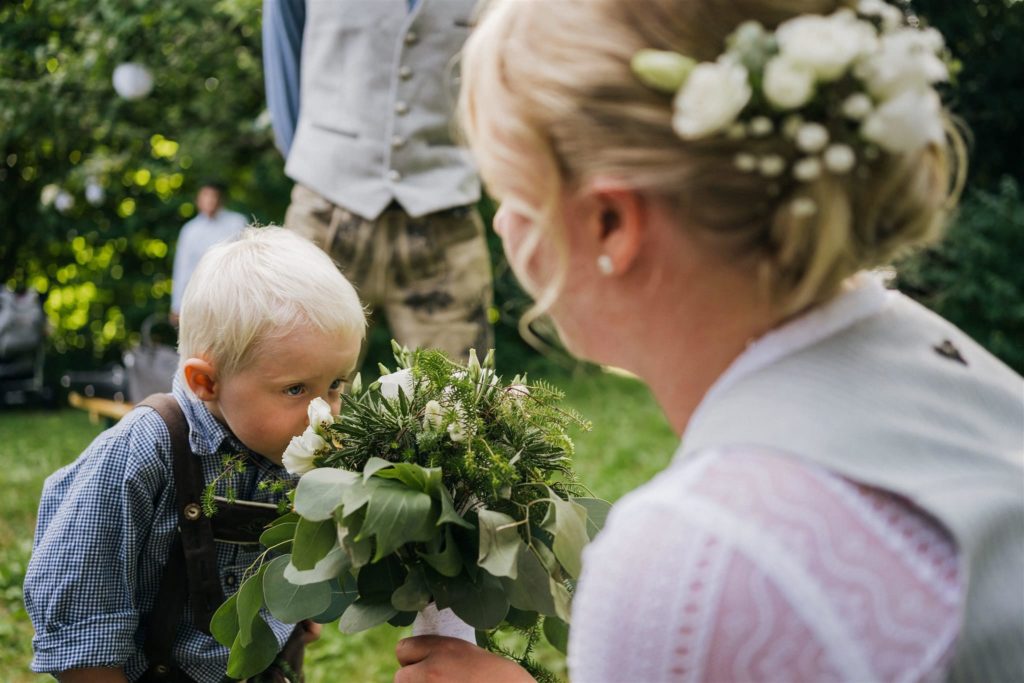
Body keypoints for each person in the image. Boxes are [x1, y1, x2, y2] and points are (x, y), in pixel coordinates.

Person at [394, 1, 1024, 681]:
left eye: (511, 194)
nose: (502, 228)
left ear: (610, 222)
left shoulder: (692, 564)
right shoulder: (943, 353)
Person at [25, 228, 366, 681]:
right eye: (296, 389)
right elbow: (81, 623)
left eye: (336, 385)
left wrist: (288, 610)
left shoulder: (292, 446)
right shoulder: (142, 452)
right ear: (206, 382)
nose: (324, 413)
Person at [262, 0, 493, 365]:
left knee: (459, 402)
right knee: (295, 391)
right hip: (324, 208)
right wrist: (318, 160)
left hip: (446, 214)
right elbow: (283, 59)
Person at [170, 182, 247, 324]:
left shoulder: (237, 223)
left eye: (213, 196)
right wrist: (177, 305)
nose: (210, 200)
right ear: (198, 200)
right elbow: (182, 268)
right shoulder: (190, 231)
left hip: (233, 294)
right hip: (200, 297)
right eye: (205, 196)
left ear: (221, 199)